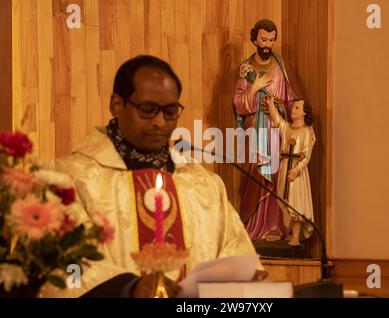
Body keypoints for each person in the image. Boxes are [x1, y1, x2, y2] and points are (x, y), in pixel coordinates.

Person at [39, 55, 265, 298]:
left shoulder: (204, 186)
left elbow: (239, 259)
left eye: (170, 112)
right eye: (147, 110)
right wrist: (129, 289)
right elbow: (65, 266)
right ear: (116, 104)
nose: (160, 122)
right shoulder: (69, 179)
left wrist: (248, 283)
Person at [232, 19, 304, 241]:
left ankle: (275, 227)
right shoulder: (246, 69)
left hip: (276, 129)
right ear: (254, 39)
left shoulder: (282, 67)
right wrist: (254, 88)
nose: (267, 45)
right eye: (263, 39)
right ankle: (253, 227)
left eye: (271, 40)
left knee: (275, 175)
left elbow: (293, 100)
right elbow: (237, 103)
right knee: (254, 174)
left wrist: (279, 106)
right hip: (255, 131)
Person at [265, 96, 315, 246]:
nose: (293, 109)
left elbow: (306, 155)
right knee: (284, 199)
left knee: (296, 203)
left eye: (297, 108)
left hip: (296, 173)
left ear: (305, 113)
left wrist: (296, 170)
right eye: (293, 107)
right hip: (284, 167)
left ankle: (296, 236)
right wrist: (270, 104)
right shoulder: (288, 128)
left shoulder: (306, 132)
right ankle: (290, 232)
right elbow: (278, 121)